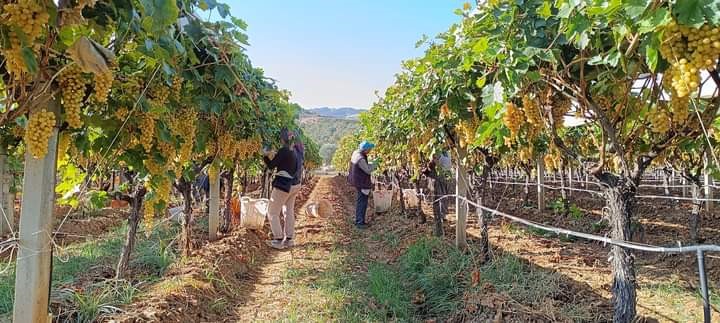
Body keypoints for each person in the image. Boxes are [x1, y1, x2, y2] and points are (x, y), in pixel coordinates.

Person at [263, 129, 299, 249]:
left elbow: (272, 166)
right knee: (289, 211)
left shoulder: (284, 150)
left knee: (272, 212)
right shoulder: (293, 151)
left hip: (283, 185)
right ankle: (289, 239)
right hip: (294, 185)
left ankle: (278, 240)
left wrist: (265, 156)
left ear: (282, 139)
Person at [422, 151, 452, 237]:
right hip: (443, 176)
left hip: (439, 177)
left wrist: (427, 169)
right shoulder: (447, 153)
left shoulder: (438, 152)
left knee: (438, 198)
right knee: (442, 196)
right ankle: (443, 214)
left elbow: (433, 164)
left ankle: (441, 216)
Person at [348, 140, 376, 229]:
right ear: (365, 150)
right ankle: (360, 222)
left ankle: (359, 220)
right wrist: (375, 164)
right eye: (370, 149)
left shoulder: (356, 153)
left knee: (361, 201)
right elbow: (367, 169)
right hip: (361, 182)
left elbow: (364, 166)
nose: (370, 151)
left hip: (357, 181)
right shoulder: (360, 158)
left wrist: (372, 163)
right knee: (362, 202)